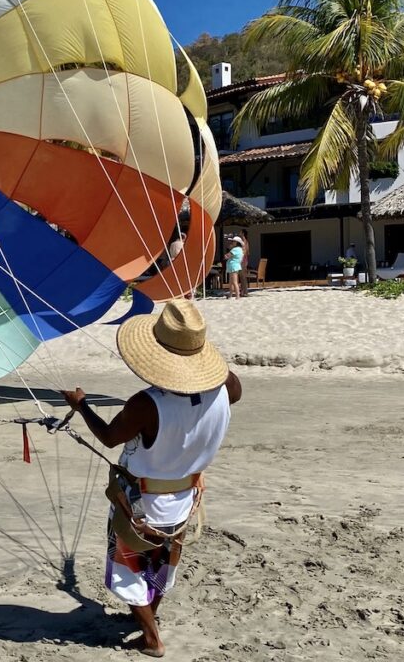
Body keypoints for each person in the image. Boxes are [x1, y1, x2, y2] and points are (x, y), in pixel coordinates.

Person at [62, 299, 240, 657]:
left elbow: (110, 437)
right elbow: (222, 391)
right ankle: (148, 615)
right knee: (159, 563)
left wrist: (81, 405)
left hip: (144, 504)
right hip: (184, 497)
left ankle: (151, 638)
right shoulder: (227, 387)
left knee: (129, 568)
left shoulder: (147, 404)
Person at [238, 229, 251, 296]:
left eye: (240, 232)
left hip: (242, 260)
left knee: (242, 276)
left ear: (242, 233)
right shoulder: (245, 241)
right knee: (242, 276)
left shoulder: (243, 241)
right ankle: (243, 292)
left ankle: (245, 292)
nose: (239, 233)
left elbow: (245, 252)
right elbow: (248, 252)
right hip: (244, 260)